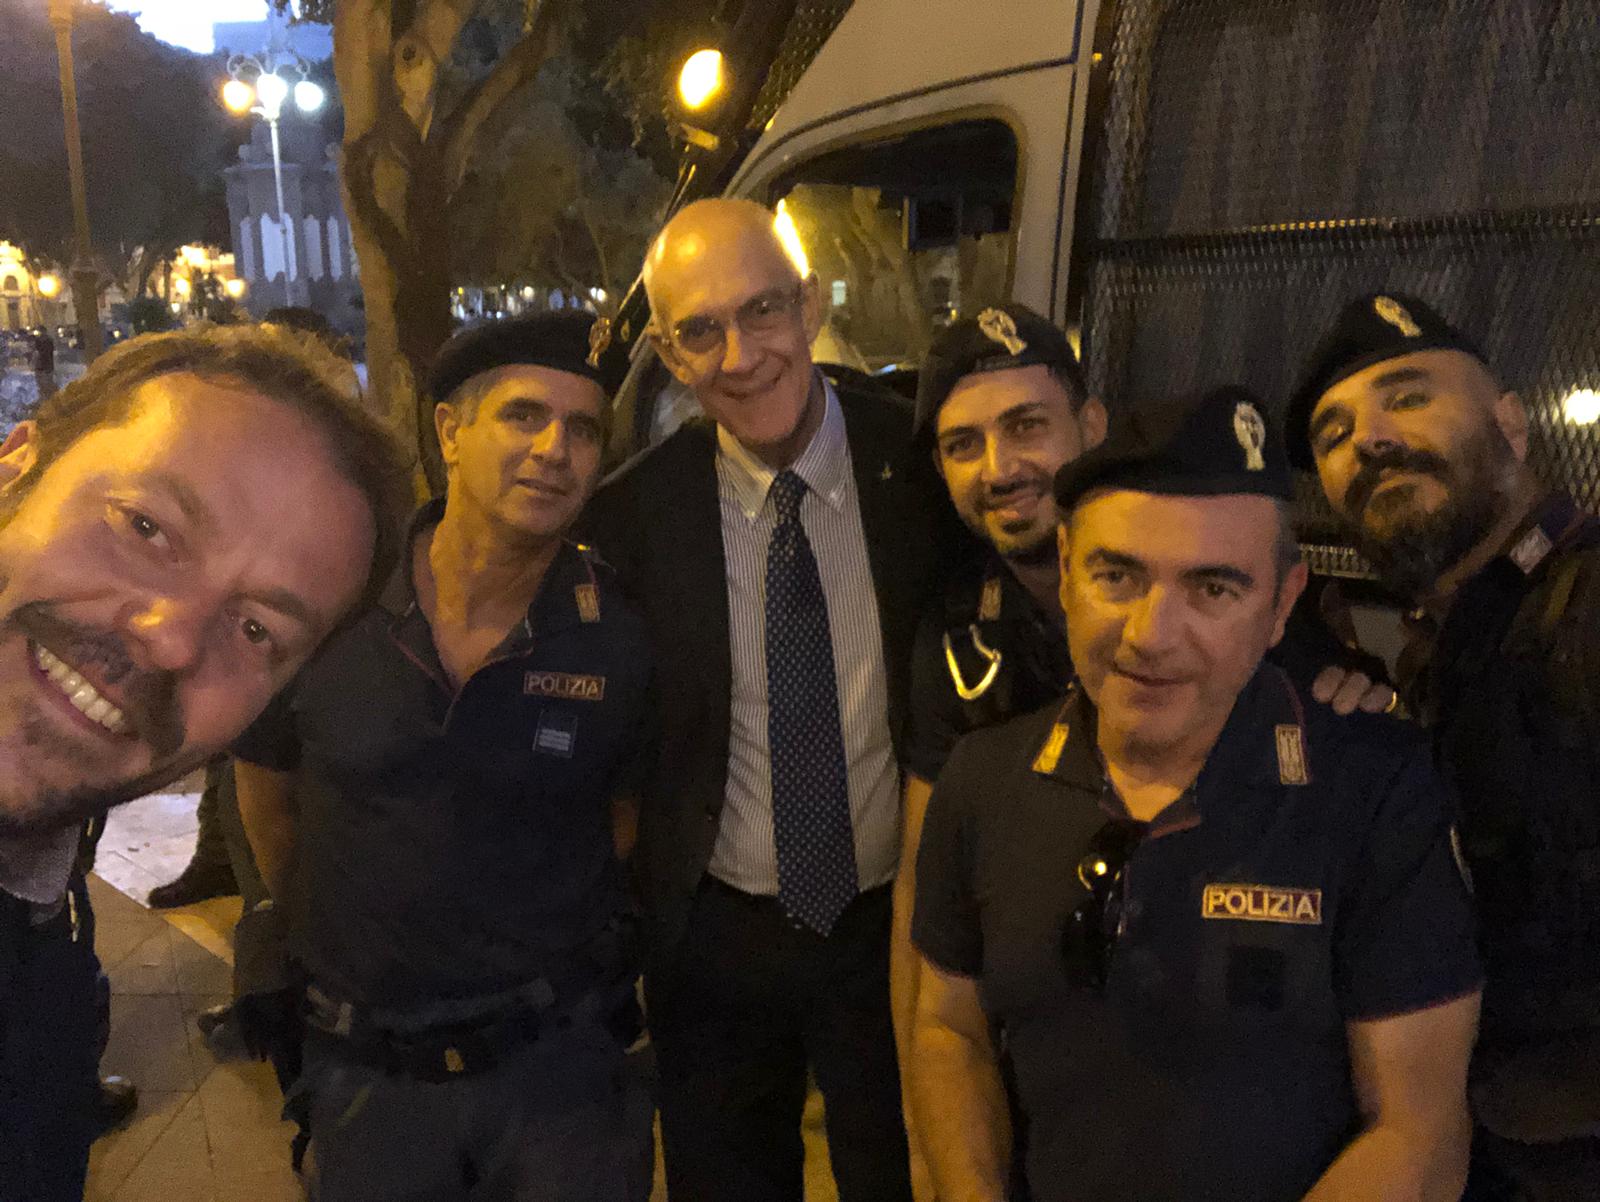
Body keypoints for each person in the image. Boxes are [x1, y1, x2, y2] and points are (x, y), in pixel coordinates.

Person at [911, 385, 1483, 1201]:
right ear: (1066, 570)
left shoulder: (1376, 792)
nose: (1151, 635)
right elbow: (949, 1027)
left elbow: (1419, 1134)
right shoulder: (982, 779)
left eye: (1213, 589)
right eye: (1117, 576)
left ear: (1283, 603)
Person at [233, 311, 655, 1202]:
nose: (555, 450)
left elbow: (625, 825)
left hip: (559, 1082)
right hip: (368, 1078)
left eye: (583, 430)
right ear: (450, 431)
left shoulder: (617, 635)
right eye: (523, 415)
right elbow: (268, 799)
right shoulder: (335, 602)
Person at [583, 198, 951, 1202]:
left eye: (763, 310)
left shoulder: (922, 468)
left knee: (900, 1175)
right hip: (714, 943)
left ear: (812, 303)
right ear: (667, 351)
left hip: (891, 929)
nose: (741, 356)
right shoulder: (632, 517)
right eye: (701, 330)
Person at [0, 322, 409, 1202]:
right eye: (146, 527)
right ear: (15, 468)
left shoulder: (48, 977)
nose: (172, 639)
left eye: (258, 629)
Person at [1289, 292, 1600, 1199]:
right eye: (1335, 433)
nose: (1371, 439)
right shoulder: (1444, 650)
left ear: (1513, 425)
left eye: (1409, 397)